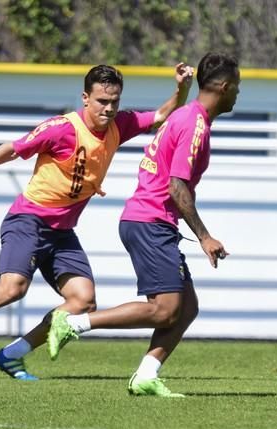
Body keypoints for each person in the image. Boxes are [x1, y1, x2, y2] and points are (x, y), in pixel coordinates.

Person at [0, 62, 194, 380]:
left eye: (115, 101)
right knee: (12, 289)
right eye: (103, 101)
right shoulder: (61, 128)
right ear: (85, 98)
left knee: (83, 301)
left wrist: (181, 88)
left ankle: (12, 354)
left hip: (62, 233)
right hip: (28, 220)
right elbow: (13, 149)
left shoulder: (119, 125)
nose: (110, 108)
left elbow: (160, 116)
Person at [46, 52, 240, 397]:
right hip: (150, 221)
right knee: (164, 310)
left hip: (150, 220)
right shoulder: (194, 125)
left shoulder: (187, 117)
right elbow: (176, 186)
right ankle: (74, 322)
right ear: (224, 87)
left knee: (186, 308)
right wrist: (205, 237)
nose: (238, 94)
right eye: (237, 87)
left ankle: (147, 374)